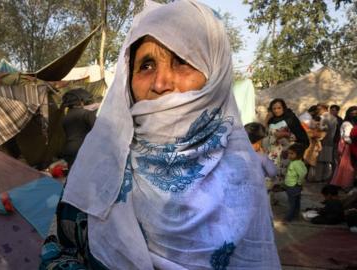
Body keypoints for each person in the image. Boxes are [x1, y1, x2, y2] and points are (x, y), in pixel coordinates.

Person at [40, 1, 280, 269]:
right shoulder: (98, 171)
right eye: (146, 65)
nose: (161, 83)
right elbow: (60, 252)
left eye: (183, 61)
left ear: (215, 75)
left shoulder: (243, 176)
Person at [264, 98, 309, 183]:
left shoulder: (290, 118)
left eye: (279, 108)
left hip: (286, 153)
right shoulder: (271, 120)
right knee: (271, 178)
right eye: (274, 109)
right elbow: (265, 134)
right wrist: (266, 119)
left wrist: (286, 134)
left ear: (283, 108)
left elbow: (299, 135)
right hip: (273, 153)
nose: (276, 111)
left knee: (286, 179)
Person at [60, 88, 97, 168]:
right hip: (84, 149)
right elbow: (98, 130)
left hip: (69, 149)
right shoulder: (86, 114)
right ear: (81, 101)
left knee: (73, 175)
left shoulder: (65, 117)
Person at [331, 106, 357, 189]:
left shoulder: (353, 124)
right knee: (346, 167)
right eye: (352, 113)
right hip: (347, 147)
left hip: (351, 146)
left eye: (356, 113)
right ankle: (344, 184)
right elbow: (346, 137)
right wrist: (353, 142)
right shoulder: (347, 124)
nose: (354, 115)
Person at [283, 143, 308, 222]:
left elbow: (303, 173)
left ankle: (288, 217)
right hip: (293, 185)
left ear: (298, 154)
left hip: (293, 186)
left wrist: (299, 182)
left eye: (292, 153)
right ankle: (295, 215)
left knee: (292, 202)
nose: (289, 155)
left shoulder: (296, 163)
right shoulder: (296, 162)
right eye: (289, 153)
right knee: (296, 201)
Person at [314, 104, 338, 182]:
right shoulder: (334, 118)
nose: (317, 111)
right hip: (330, 141)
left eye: (318, 109)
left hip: (322, 141)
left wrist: (316, 126)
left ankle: (319, 178)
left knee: (320, 161)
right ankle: (325, 177)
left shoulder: (324, 117)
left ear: (324, 109)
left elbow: (323, 129)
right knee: (326, 161)